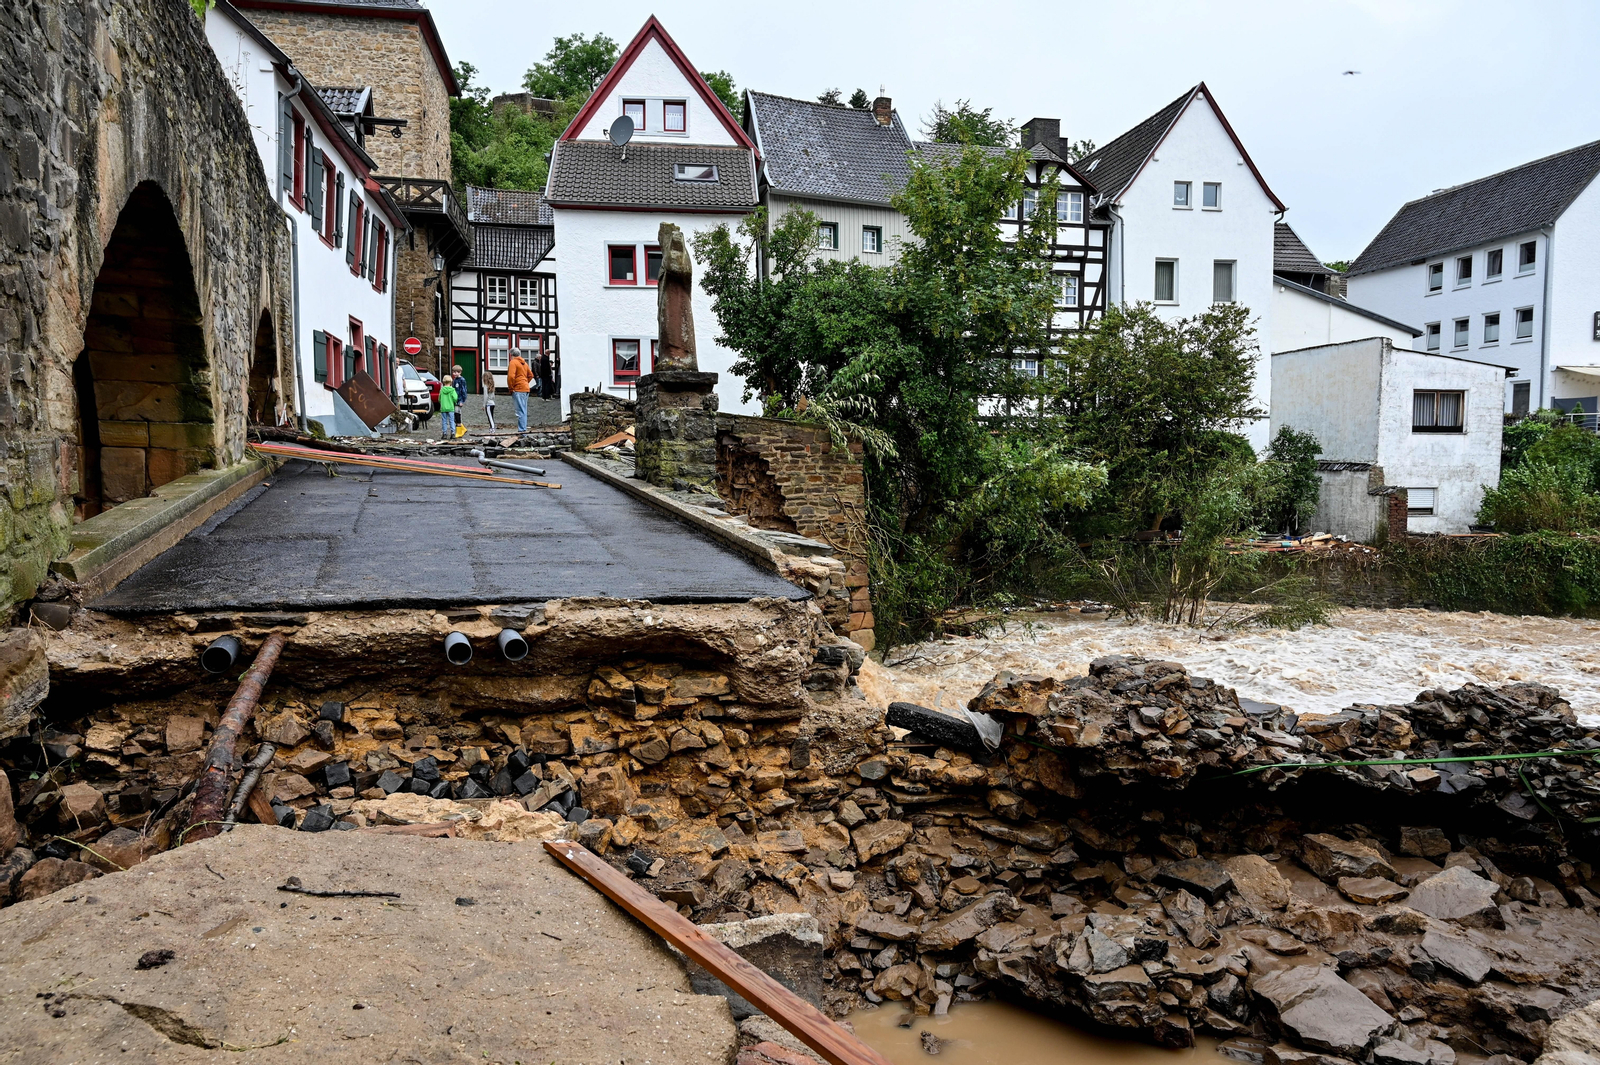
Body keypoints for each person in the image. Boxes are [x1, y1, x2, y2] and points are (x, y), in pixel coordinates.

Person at [507, 348, 532, 432]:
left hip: (518, 389)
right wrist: (525, 382)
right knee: (524, 410)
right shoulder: (524, 363)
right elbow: (531, 375)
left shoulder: (513, 362)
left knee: (520, 411)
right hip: (525, 388)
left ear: (511, 355)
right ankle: (523, 430)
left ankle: (522, 431)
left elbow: (511, 376)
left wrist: (511, 388)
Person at [438, 375, 457, 440]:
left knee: (444, 421)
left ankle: (445, 434)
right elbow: (455, 398)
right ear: (451, 382)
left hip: (443, 408)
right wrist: (454, 402)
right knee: (451, 420)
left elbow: (439, 399)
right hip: (451, 407)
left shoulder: (442, 390)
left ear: (443, 382)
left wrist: (441, 403)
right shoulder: (452, 390)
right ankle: (453, 433)